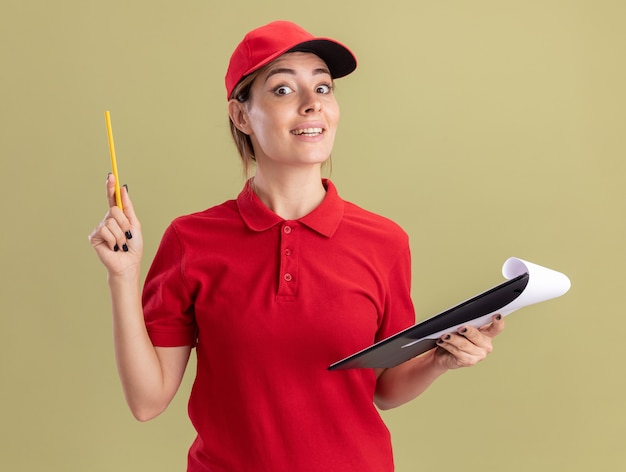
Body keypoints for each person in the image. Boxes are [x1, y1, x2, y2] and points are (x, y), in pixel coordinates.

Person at [89, 20, 504, 472]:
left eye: (323, 88)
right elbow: (147, 402)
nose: (312, 105)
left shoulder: (385, 242)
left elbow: (383, 388)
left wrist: (439, 360)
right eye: (284, 90)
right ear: (241, 115)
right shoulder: (192, 240)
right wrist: (123, 277)